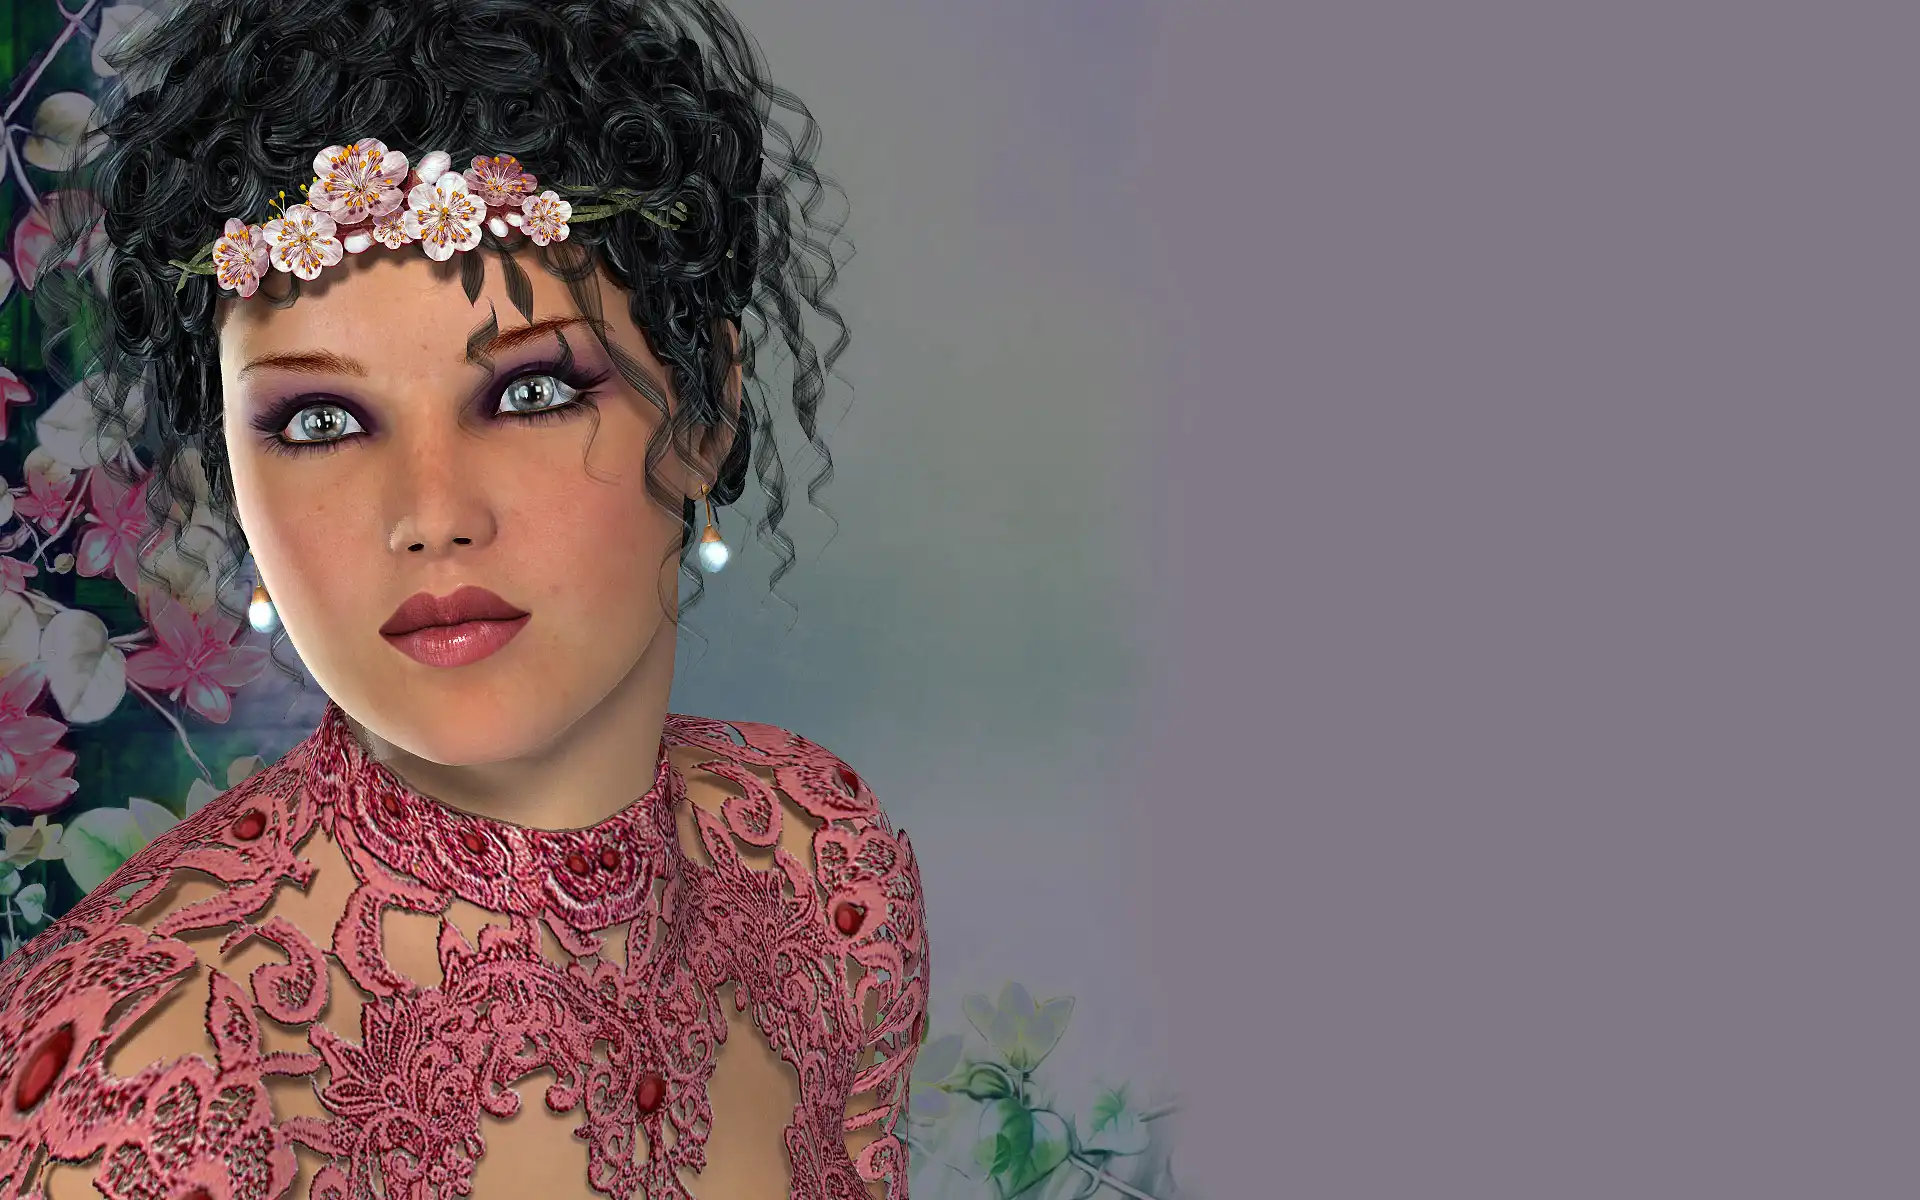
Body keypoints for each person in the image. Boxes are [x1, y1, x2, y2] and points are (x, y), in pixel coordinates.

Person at [0, 1, 927, 1197]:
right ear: (226, 473)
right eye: (321, 420)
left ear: (704, 411)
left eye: (530, 393)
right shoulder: (140, 1085)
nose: (431, 513)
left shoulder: (821, 863)